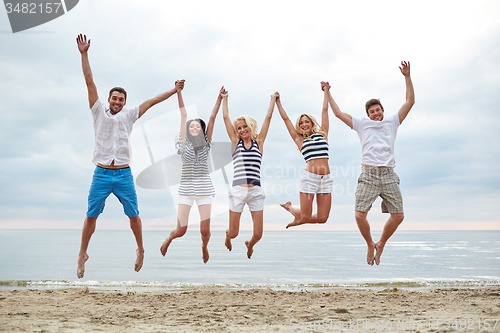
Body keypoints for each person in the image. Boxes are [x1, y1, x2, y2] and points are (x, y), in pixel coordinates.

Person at [76, 34, 181, 278]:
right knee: (91, 216)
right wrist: (84, 54)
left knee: (134, 216)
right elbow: (89, 81)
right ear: (109, 99)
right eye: (114, 98)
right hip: (101, 173)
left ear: (124, 103)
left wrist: (174, 91)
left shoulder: (130, 114)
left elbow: (153, 101)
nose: (117, 102)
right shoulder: (97, 111)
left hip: (123, 174)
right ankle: (82, 254)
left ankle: (141, 249)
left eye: (121, 99)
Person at [325, 61, 415, 266]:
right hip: (369, 175)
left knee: (399, 216)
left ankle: (381, 244)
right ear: (368, 115)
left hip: (389, 174)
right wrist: (328, 92)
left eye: (378, 110)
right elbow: (338, 113)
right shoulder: (361, 124)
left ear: (383, 110)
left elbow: (410, 102)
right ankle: (369, 244)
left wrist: (407, 77)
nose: (375, 113)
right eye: (372, 111)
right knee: (359, 215)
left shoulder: (392, 122)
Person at [160, 84, 223, 263]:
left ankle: (204, 246)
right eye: (192, 126)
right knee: (181, 231)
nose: (195, 127)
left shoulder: (206, 143)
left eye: (198, 126)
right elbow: (183, 114)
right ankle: (168, 239)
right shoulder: (183, 143)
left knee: (205, 231)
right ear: (188, 130)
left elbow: (212, 117)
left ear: (202, 130)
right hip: (186, 189)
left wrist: (219, 98)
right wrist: (178, 93)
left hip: (204, 189)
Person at [222, 89, 275, 259]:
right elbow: (225, 118)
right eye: (239, 128)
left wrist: (273, 99)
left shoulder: (258, 142)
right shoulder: (235, 142)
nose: (242, 129)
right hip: (238, 191)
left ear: (250, 126)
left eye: (245, 126)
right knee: (233, 233)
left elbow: (268, 118)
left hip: (255, 192)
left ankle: (249, 244)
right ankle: (227, 236)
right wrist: (225, 98)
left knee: (258, 234)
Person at [276, 85, 333, 229]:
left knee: (322, 218)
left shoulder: (323, 134)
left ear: (312, 123)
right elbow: (285, 119)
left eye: (306, 121)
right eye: (301, 123)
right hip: (310, 179)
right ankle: (290, 208)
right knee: (306, 217)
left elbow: (325, 110)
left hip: (326, 179)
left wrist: (326, 91)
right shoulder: (299, 140)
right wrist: (278, 102)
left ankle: (297, 215)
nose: (304, 124)